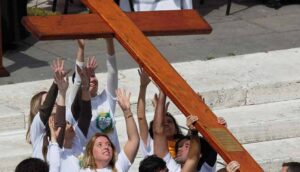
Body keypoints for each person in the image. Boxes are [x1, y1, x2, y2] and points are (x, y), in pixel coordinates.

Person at [67, 38, 121, 153]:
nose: (91, 79)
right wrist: (81, 48)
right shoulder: (76, 102)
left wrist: (109, 40)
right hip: (89, 164)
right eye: (87, 77)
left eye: (93, 76)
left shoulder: (106, 99)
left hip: (112, 163)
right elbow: (77, 80)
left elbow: (113, 72)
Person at [80, 88, 140, 172]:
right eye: (99, 145)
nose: (106, 147)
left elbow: (134, 140)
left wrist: (127, 112)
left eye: (108, 144)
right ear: (90, 152)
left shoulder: (119, 166)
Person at [27, 58, 69, 161]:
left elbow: (60, 124)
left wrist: (62, 92)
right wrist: (55, 83)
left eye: (54, 100)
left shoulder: (60, 127)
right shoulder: (37, 130)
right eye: (48, 101)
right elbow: (46, 110)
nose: (53, 102)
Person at [152, 90, 200, 172]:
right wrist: (163, 91)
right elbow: (158, 132)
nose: (179, 149)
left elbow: (192, 158)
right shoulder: (171, 167)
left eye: (186, 146)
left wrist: (163, 91)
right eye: (179, 147)